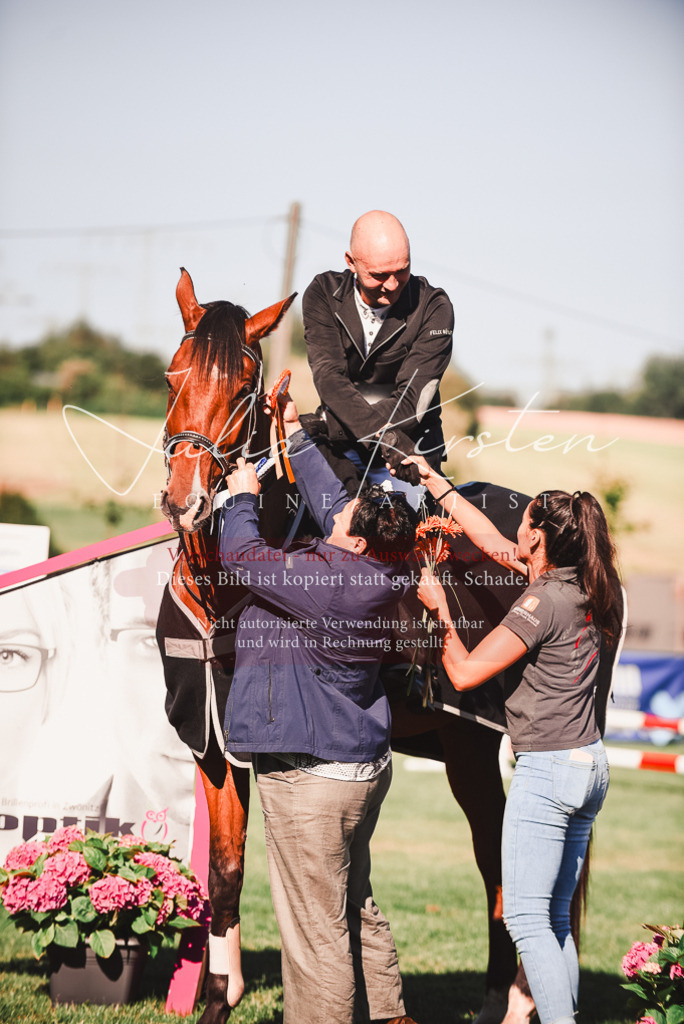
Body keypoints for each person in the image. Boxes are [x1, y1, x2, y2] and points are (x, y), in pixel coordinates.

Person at [215, 393, 420, 1024]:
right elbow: (333, 501)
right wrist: (293, 437)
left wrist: (243, 496)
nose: (338, 509)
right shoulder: (385, 568)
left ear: (353, 537)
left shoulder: (330, 584)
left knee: (314, 933)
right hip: (358, 769)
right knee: (353, 902)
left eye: (348, 510)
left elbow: (241, 556)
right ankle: (389, 1015)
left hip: (313, 781)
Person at [409, 456, 623, 1024]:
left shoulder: (539, 602)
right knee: (553, 920)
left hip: (549, 771)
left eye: (523, 523)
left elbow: (464, 674)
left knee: (527, 921)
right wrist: (440, 487)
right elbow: (488, 537)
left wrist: (440, 613)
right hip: (589, 765)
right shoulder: (590, 585)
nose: (514, 531)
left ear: (538, 537)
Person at [302, 210, 454, 499]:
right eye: (379, 275)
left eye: (402, 270)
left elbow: (414, 400)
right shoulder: (322, 293)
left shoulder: (435, 306)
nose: (393, 285)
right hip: (344, 449)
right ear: (350, 262)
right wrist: (386, 437)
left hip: (410, 449)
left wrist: (329, 425)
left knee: (411, 534)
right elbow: (329, 379)